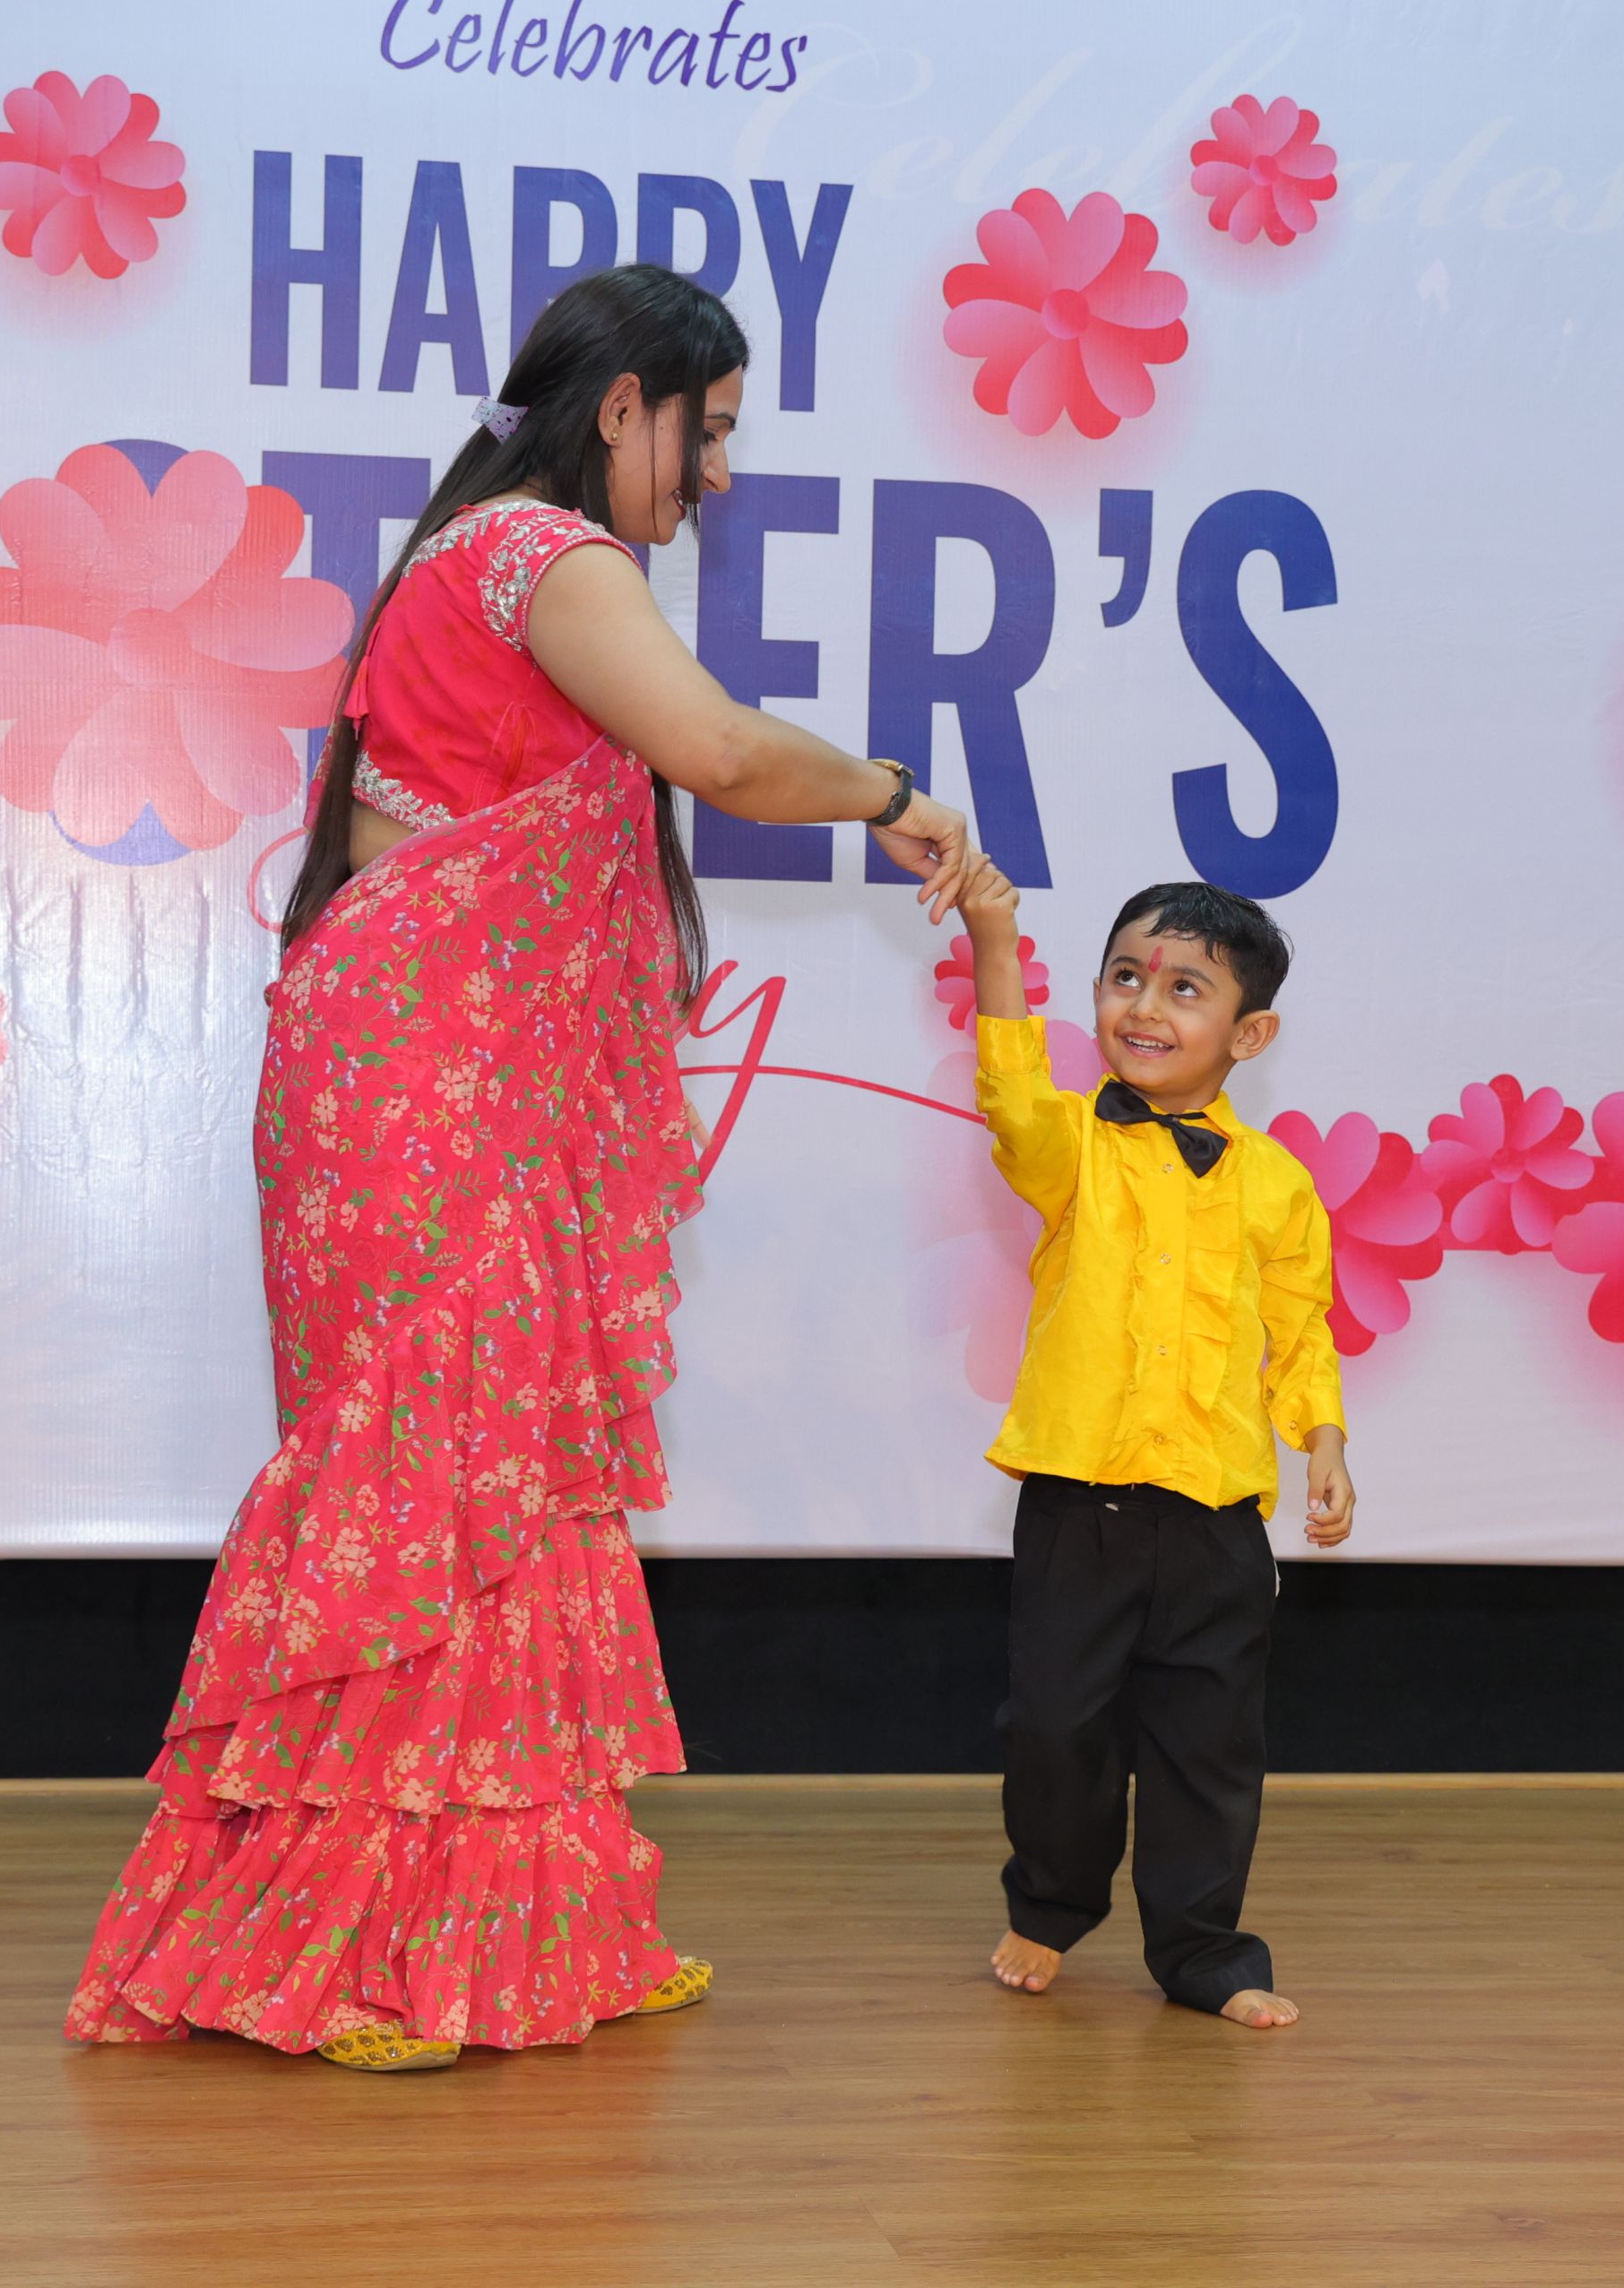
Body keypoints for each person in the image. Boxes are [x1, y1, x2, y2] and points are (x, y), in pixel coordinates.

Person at [66, 264, 975, 2073]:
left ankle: (523, 1923)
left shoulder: (486, 555)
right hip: (424, 1076)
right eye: (710, 430)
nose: (720, 473)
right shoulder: (545, 557)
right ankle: (351, 1953)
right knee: (429, 1473)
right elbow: (720, 751)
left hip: (447, 1071)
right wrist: (894, 794)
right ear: (623, 405)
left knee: (498, 1477)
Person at [948, 863, 1354, 2030]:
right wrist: (992, 937)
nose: (1144, 1004)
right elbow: (1009, 1091)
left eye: (1184, 988)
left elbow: (1300, 1329)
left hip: (1217, 1519)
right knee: (1054, 1730)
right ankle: (1050, 1902)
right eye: (1124, 976)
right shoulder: (1070, 1145)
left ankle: (1203, 1951)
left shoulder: (1275, 1183)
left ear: (1250, 1032)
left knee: (1208, 1747)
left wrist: (1324, 1442)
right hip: (1079, 1507)